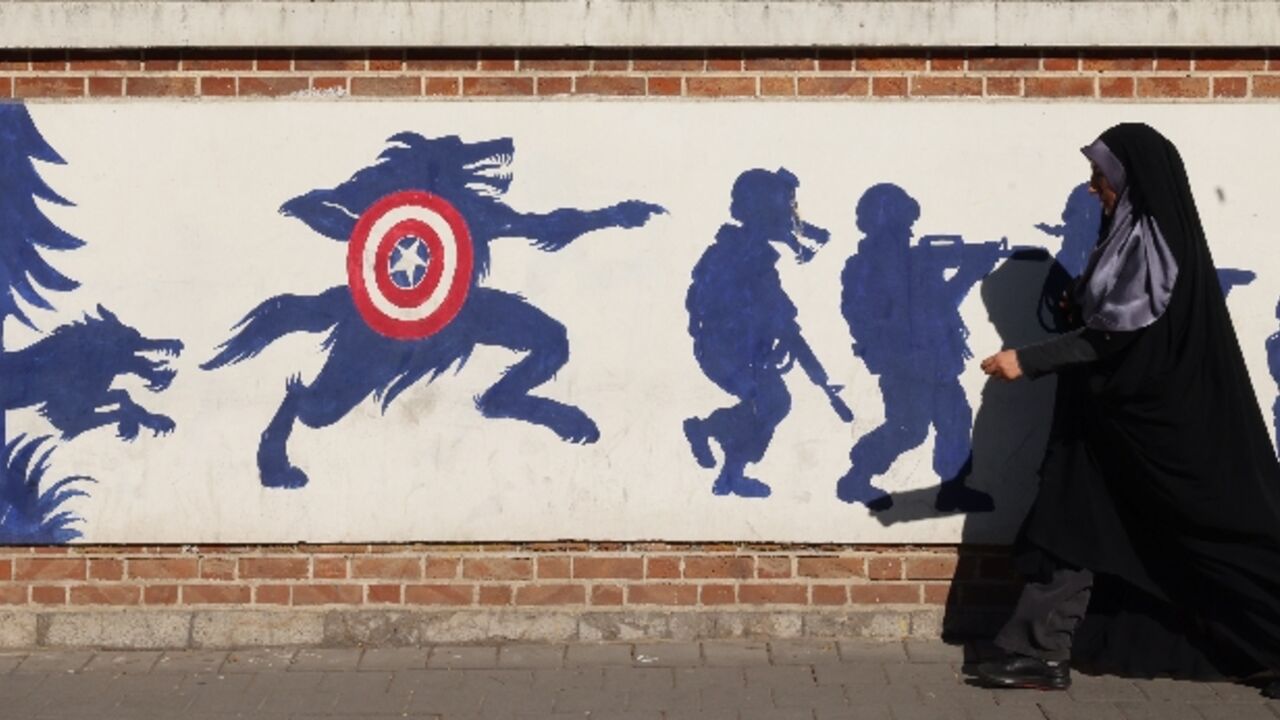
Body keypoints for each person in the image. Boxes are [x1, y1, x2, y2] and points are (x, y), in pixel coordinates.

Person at [977, 123, 1280, 695]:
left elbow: (1115, 337)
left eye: (1101, 175)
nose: (1094, 187)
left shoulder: (1151, 245)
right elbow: (1112, 319)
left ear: (1132, 178)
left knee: (1221, 537)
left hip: (1160, 430)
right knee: (1070, 523)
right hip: (1109, 423)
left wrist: (1029, 360)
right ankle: (1038, 651)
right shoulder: (1126, 239)